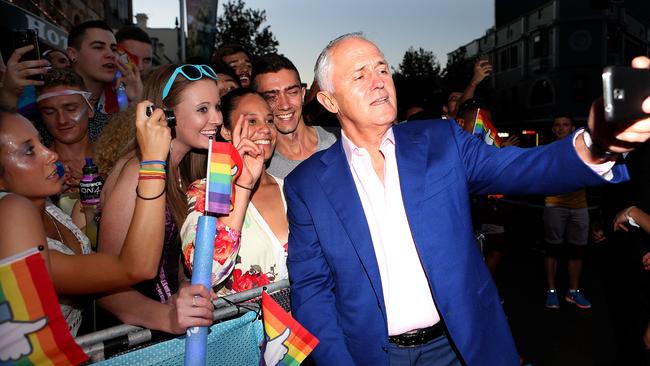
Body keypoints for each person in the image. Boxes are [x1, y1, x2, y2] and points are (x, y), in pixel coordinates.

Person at [284, 33, 650, 365]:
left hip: (459, 347)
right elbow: (312, 291)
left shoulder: (441, 141)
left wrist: (595, 146)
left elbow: (522, 167)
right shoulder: (307, 185)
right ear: (329, 100)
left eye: (383, 69)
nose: (379, 81)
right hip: (372, 356)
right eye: (360, 75)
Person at [0, 102, 199, 336]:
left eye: (40, 143)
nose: (51, 154)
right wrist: (153, 163)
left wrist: (165, 316)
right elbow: (136, 267)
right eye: (29, 151)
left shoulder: (49, 209)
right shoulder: (9, 215)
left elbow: (98, 284)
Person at [98, 64, 265, 334]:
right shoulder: (137, 171)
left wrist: (188, 287)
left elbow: (204, 259)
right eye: (202, 109)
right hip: (139, 339)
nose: (217, 119)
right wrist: (165, 316)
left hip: (181, 332)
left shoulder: (194, 168)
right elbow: (106, 287)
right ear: (166, 116)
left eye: (217, 107)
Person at [181, 88, 288, 295]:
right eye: (252, 121)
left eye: (269, 120)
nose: (265, 129)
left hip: (302, 324)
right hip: (244, 325)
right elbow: (206, 275)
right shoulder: (205, 190)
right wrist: (243, 186)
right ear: (226, 131)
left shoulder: (290, 188)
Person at [252, 53, 336, 178]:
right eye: (271, 97)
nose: (285, 105)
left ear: (302, 94)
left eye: (292, 92)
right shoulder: (261, 169)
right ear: (257, 102)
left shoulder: (339, 139)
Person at [543, 115, 593, 309]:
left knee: (578, 251)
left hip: (580, 206)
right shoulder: (548, 150)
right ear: (553, 129)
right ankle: (551, 291)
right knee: (552, 249)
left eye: (565, 125)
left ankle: (573, 292)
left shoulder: (583, 149)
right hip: (554, 204)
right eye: (557, 125)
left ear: (572, 128)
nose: (561, 128)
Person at [66, 20, 143, 138]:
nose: (110, 55)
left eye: (113, 49)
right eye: (98, 47)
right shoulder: (47, 98)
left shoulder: (122, 102)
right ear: (72, 54)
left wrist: (136, 100)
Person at [36, 68, 94, 204]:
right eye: (50, 112)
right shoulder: (38, 168)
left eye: (71, 109)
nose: (61, 120)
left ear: (90, 109)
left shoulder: (115, 159)